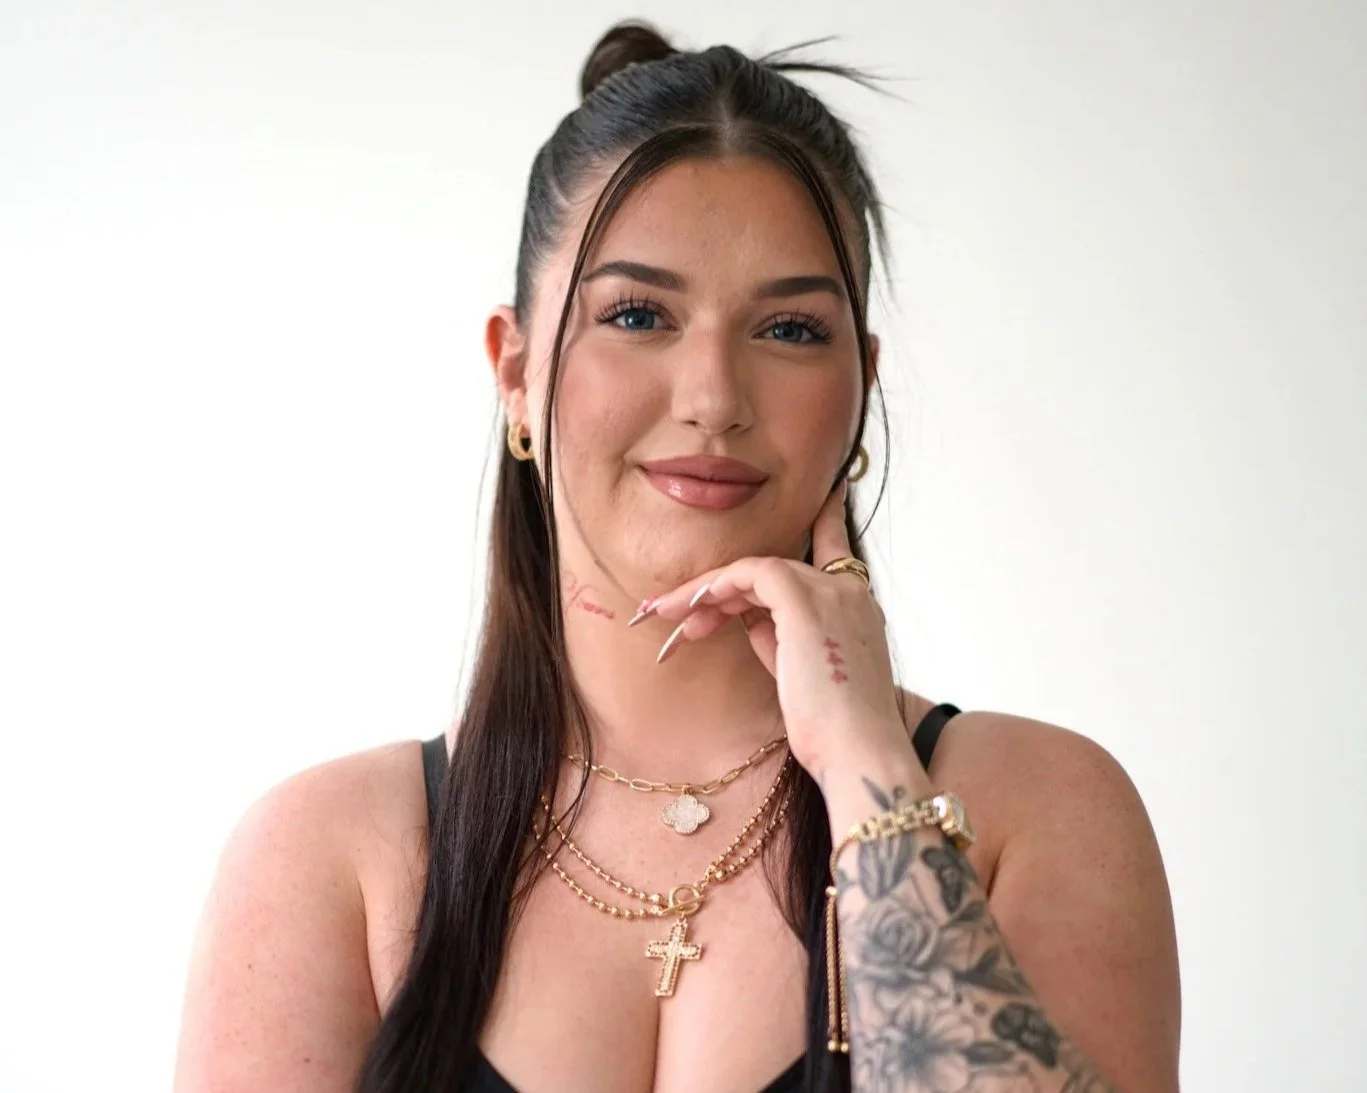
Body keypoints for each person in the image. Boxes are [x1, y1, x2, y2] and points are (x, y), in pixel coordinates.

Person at [174, 20, 1181, 1093]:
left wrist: (867, 771)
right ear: (513, 370)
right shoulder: (333, 858)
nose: (712, 398)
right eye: (639, 314)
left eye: (788, 329)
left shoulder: (1031, 809)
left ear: (862, 384)